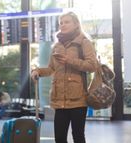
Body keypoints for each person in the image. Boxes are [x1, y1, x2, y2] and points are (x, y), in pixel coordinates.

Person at [31, 11, 98, 143]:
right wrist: (37, 71)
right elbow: (51, 69)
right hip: (59, 100)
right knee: (60, 138)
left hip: (78, 99)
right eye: (61, 23)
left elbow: (92, 66)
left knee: (78, 136)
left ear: (76, 24)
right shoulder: (56, 46)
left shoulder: (84, 42)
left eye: (66, 22)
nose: (63, 25)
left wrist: (69, 61)